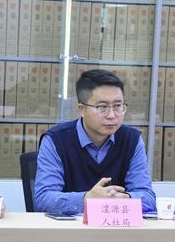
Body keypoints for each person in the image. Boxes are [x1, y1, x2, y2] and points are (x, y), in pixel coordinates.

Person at [34, 69, 156, 214]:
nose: (112, 115)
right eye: (102, 107)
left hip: (116, 226)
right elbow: (43, 199)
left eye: (118, 106)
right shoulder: (55, 140)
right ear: (82, 109)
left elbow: (148, 197)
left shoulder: (132, 140)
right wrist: (86, 200)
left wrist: (124, 199)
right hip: (70, 227)